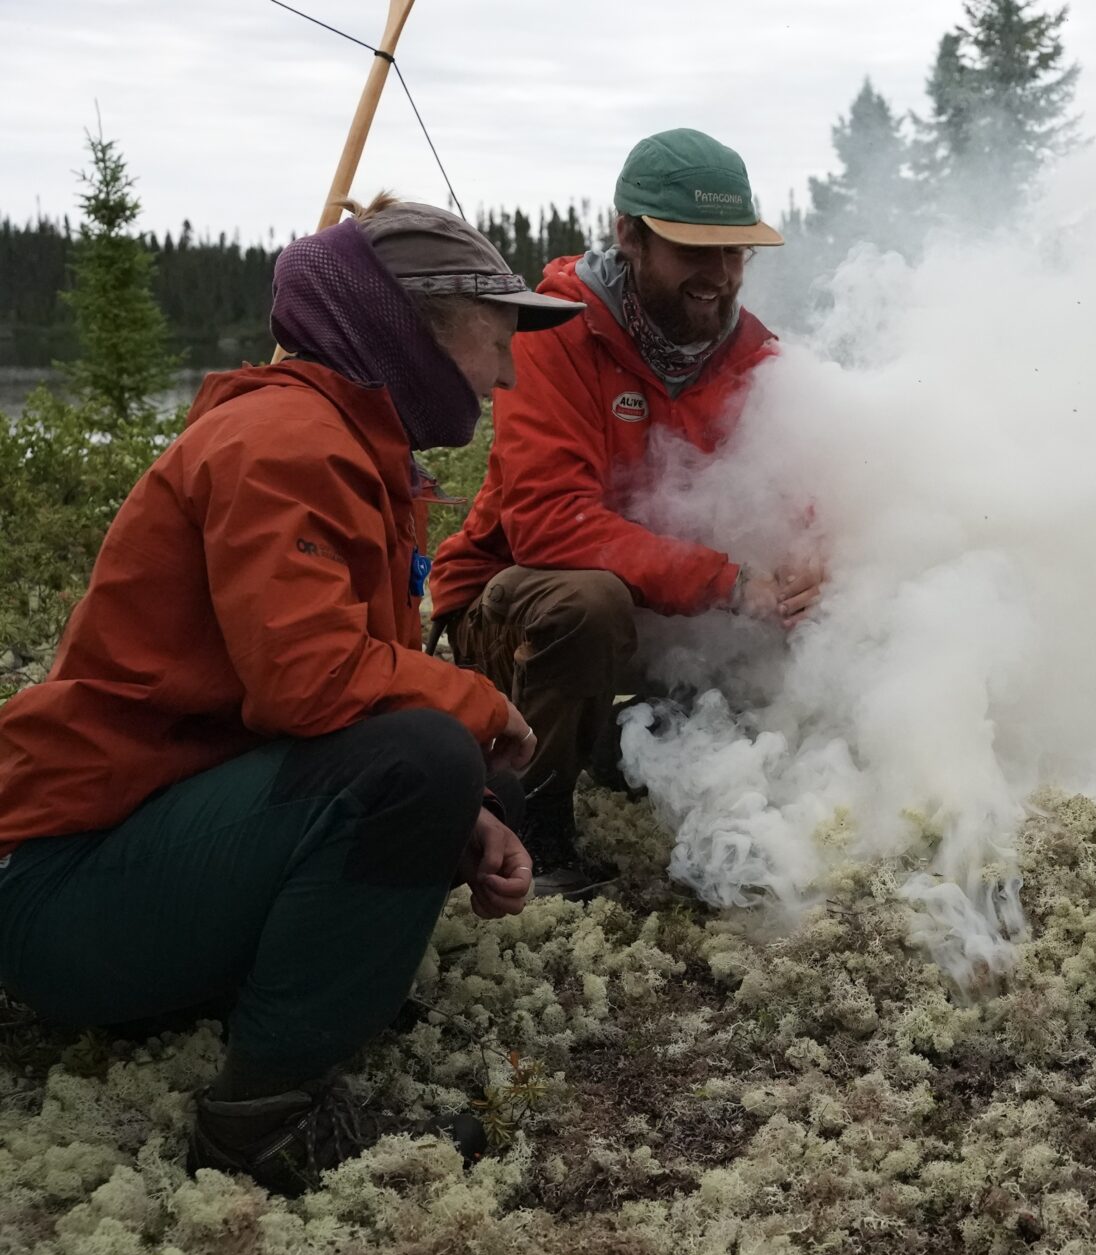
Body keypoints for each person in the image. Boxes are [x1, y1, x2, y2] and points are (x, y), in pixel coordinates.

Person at [0, 196, 585, 1195]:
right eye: (496, 339)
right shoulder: (283, 445)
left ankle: (291, 994)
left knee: (463, 771)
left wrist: (476, 810)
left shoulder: (346, 450)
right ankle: (256, 1126)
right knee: (432, 753)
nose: (508, 373)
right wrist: (477, 713)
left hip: (149, 841)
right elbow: (311, 684)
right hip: (61, 885)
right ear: (419, 327)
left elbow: (354, 690)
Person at [429, 128, 823, 897]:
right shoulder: (552, 329)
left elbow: (814, 479)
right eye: (694, 252)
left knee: (811, 609)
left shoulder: (750, 351)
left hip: (658, 618)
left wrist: (815, 556)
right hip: (509, 607)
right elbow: (548, 523)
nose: (719, 276)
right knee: (588, 600)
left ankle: (622, 747)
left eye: (735, 252)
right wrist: (729, 578)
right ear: (629, 236)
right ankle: (537, 840)